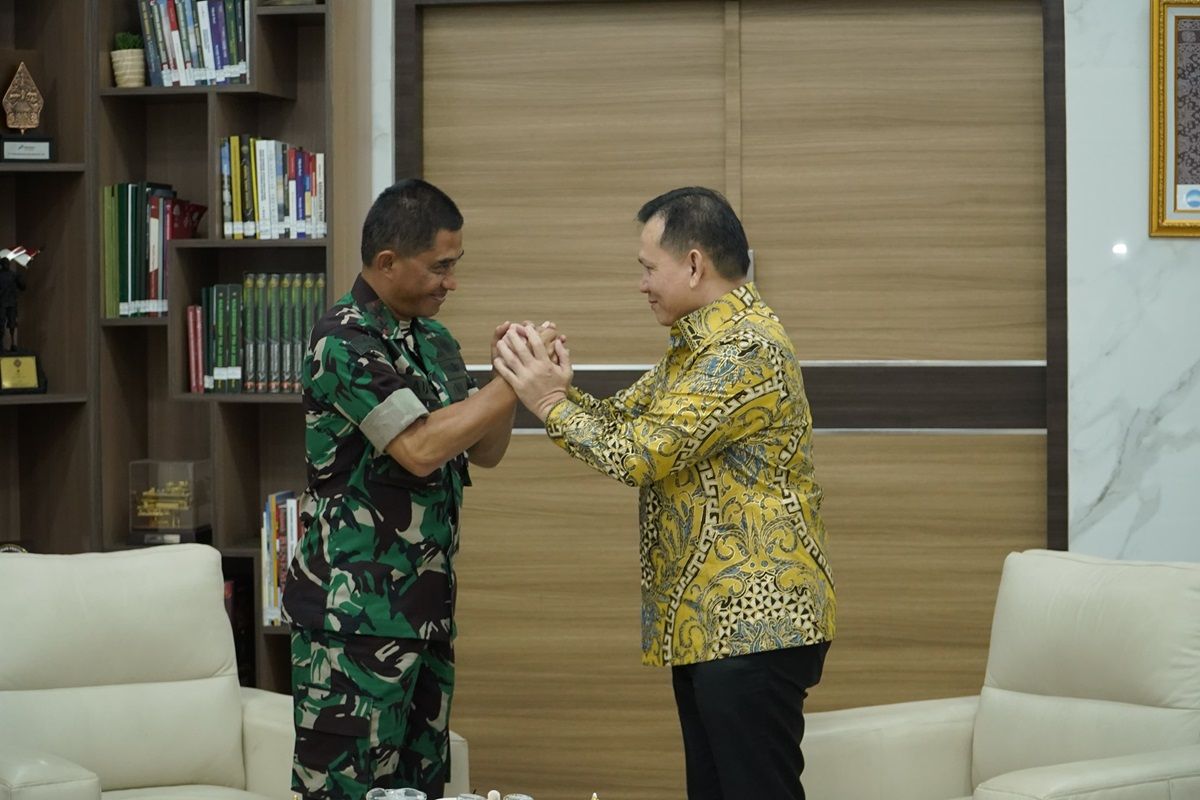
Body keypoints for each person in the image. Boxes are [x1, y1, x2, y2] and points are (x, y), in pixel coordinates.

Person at [492, 187, 836, 800]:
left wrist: (545, 401)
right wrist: (559, 392)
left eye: (649, 268)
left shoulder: (744, 349)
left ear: (695, 264)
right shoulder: (697, 347)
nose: (642, 284)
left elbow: (642, 456)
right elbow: (626, 423)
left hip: (754, 622)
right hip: (716, 625)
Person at [281, 179, 557, 799]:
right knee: (345, 792)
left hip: (425, 612)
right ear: (387, 263)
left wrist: (501, 380)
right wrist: (514, 383)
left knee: (419, 790)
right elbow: (420, 447)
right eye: (440, 267)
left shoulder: (434, 341)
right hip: (352, 620)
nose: (450, 282)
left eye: (454, 266)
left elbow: (483, 452)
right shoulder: (342, 342)